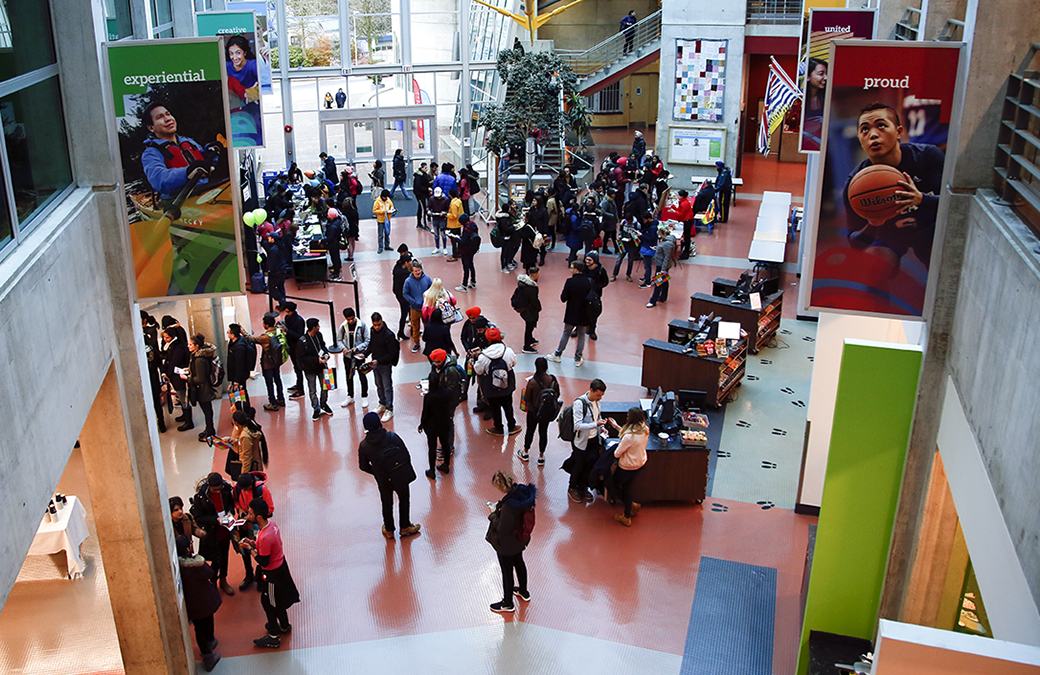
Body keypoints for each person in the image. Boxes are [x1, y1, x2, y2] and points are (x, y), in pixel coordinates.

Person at [843, 102, 944, 272]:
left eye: (881, 126)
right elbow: (854, 242)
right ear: (860, 139)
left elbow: (954, 206)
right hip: (891, 236)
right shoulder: (856, 184)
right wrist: (874, 224)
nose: (873, 134)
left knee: (940, 258)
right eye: (865, 129)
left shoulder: (927, 156)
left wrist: (921, 199)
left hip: (930, 229)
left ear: (899, 132)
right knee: (871, 266)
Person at [239, 498, 300, 649]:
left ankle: (273, 636)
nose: (248, 515)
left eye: (251, 513)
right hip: (280, 566)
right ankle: (284, 626)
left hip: (272, 574)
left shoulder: (266, 536)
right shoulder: (270, 526)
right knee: (277, 600)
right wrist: (254, 543)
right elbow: (266, 548)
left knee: (269, 603)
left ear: (258, 517)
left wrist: (249, 549)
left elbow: (263, 561)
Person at [357, 412, 421, 539]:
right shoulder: (392, 437)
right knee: (404, 499)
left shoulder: (364, 446)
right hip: (399, 475)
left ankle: (389, 530)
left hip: (383, 479)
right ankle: (405, 527)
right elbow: (405, 454)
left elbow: (363, 466)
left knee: (386, 503)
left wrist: (376, 472)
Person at [140, 103, 221, 201]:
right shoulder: (151, 153)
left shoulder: (188, 141)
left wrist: (210, 152)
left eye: (168, 114)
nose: (167, 119)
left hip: (207, 187)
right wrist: (186, 172)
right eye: (160, 117)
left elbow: (204, 162)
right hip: (177, 198)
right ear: (151, 128)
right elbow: (158, 180)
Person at [485, 471, 536, 613]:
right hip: (519, 539)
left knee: (507, 572)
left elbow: (502, 528)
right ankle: (523, 591)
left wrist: (493, 513)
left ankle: (507, 603)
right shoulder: (521, 492)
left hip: (507, 544)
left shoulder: (508, 507)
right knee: (519, 562)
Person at [175, 535, 222, 671]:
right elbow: (209, 573)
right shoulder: (196, 564)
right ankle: (209, 653)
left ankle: (208, 649)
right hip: (205, 600)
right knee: (208, 621)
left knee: (198, 627)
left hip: (192, 604)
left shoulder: (179, 567)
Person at [190, 472, 236, 596]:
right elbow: (199, 517)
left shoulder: (225, 489)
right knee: (215, 557)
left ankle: (223, 579)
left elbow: (231, 503)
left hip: (225, 529)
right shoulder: (201, 497)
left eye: (219, 488)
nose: (217, 491)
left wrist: (230, 513)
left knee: (224, 555)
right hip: (212, 531)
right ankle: (213, 580)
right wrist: (216, 519)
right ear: (209, 486)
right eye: (215, 489)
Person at [565, 379, 608, 503]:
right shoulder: (579, 403)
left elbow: (598, 417)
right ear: (591, 390)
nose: (600, 398)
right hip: (581, 442)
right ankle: (572, 487)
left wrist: (602, 428)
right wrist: (595, 424)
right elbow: (577, 425)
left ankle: (583, 487)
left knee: (591, 464)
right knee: (579, 465)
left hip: (594, 439)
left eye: (601, 395)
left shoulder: (597, 403)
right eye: (598, 394)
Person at [473, 327, 520, 436]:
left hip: (491, 388)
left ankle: (498, 428)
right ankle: (512, 426)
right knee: (508, 406)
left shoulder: (483, 356)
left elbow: (478, 370)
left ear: (488, 339)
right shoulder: (508, 351)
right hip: (507, 385)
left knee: (495, 408)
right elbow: (514, 363)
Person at [232, 472, 274, 591]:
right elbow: (235, 501)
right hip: (243, 525)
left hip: (257, 525)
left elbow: (270, 508)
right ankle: (249, 574)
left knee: (261, 551)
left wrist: (254, 516)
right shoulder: (237, 487)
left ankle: (261, 575)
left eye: (247, 488)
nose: (245, 490)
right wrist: (238, 508)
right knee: (244, 549)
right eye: (243, 489)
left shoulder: (262, 489)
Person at [547, 262, 593, 367]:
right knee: (581, 335)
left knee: (566, 333)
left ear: (576, 270)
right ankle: (578, 358)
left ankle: (558, 354)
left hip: (572, 312)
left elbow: (563, 298)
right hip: (584, 312)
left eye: (572, 268)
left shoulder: (570, 282)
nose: (570, 269)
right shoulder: (588, 282)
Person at [612, 407, 649, 526]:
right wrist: (617, 427)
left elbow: (617, 453)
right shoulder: (645, 430)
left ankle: (628, 512)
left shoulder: (629, 437)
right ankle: (629, 509)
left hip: (627, 466)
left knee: (614, 485)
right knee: (629, 487)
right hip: (640, 463)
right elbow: (628, 437)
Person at [518, 357, 559, 465]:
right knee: (543, 432)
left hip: (533, 411)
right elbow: (557, 394)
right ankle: (541, 456)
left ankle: (525, 452)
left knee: (530, 431)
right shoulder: (553, 380)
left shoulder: (532, 382)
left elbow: (526, 398)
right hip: (546, 411)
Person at [418, 371, 454, 480]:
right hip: (444, 423)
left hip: (432, 427)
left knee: (432, 448)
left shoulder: (429, 397)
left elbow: (425, 412)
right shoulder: (446, 393)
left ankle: (432, 471)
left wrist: (422, 425)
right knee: (445, 444)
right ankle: (446, 465)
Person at [365, 312, 400, 422]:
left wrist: (378, 360)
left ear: (382, 321)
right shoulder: (372, 331)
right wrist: (365, 354)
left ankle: (389, 408)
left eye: (379, 325)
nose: (377, 327)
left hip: (385, 364)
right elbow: (371, 345)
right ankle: (382, 403)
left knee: (387, 386)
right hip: (375, 365)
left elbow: (392, 353)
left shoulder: (389, 335)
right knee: (378, 385)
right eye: (375, 325)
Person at [297, 318, 333, 422]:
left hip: (321, 367)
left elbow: (322, 346)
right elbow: (302, 358)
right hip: (310, 369)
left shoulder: (319, 335)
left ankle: (323, 403)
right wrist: (317, 360)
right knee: (312, 390)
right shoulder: (302, 341)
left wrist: (326, 353)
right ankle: (316, 408)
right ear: (313, 327)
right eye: (318, 326)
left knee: (325, 387)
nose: (319, 327)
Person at [186, 334, 218, 441]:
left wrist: (187, 378)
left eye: (190, 344)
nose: (188, 346)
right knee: (207, 410)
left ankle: (210, 430)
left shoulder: (199, 360)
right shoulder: (200, 356)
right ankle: (209, 428)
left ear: (196, 346)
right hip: (204, 388)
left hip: (203, 390)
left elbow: (200, 379)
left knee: (207, 411)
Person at [337, 307, 370, 408]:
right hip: (347, 357)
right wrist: (343, 348)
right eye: (348, 319)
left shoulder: (362, 326)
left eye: (352, 318)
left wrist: (357, 348)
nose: (351, 321)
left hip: (359, 356)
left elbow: (367, 340)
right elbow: (339, 340)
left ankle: (364, 396)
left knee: (362, 375)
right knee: (349, 376)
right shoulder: (343, 326)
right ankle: (350, 396)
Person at [256, 313, 287, 411]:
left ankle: (272, 403)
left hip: (267, 363)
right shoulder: (278, 331)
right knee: (277, 380)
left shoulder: (265, 337)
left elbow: (252, 339)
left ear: (266, 325)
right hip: (276, 361)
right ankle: (281, 399)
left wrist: (242, 331)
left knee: (269, 383)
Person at [142, 311, 166, 433]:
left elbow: (154, 349)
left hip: (152, 370)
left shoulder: (150, 331)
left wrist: (161, 370)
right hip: (142, 371)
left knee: (156, 398)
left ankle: (161, 421)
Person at [402, 259, 433, 354]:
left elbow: (432, 290)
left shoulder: (427, 279)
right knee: (415, 328)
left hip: (426, 309)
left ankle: (428, 343)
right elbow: (405, 293)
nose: (418, 272)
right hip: (414, 309)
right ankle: (417, 343)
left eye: (419, 270)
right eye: (415, 271)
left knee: (427, 327)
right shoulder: (408, 281)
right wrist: (413, 302)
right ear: (412, 271)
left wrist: (428, 301)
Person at [276, 302, 306, 399]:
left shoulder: (299, 321)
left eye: (288, 311)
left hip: (297, 347)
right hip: (290, 345)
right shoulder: (288, 318)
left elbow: (299, 335)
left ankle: (301, 389)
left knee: (298, 367)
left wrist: (287, 331)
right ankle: (298, 384)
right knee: (295, 366)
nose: (286, 313)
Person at [228, 410, 266, 479]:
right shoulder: (249, 428)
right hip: (255, 465)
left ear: (236, 423)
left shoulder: (245, 436)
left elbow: (247, 458)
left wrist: (243, 477)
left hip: (251, 469)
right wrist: (230, 440)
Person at [511, 267, 541, 354]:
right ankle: (526, 346)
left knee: (529, 326)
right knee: (529, 327)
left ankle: (530, 339)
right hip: (530, 310)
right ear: (534, 275)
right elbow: (534, 300)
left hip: (525, 309)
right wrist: (538, 308)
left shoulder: (523, 284)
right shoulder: (531, 288)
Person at [647, 228, 678, 308]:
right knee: (664, 281)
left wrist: (663, 270)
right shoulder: (667, 241)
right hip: (662, 264)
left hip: (662, 266)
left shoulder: (667, 244)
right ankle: (663, 297)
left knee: (658, 282)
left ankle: (653, 300)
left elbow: (667, 257)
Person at [801, 57, 828, 150]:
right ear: (808, 77)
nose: (826, 77)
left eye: (826, 73)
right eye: (821, 74)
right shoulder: (800, 97)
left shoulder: (828, 97)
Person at [226, 323, 254, 411]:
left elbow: (239, 365)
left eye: (228, 332)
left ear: (232, 335)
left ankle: (244, 412)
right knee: (240, 394)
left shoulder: (239, 347)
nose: (227, 333)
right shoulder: (237, 341)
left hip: (239, 376)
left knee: (241, 394)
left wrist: (236, 380)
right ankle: (242, 411)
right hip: (237, 375)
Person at [583, 252, 609, 340]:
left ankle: (592, 330)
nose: (587, 261)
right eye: (586, 259)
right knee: (581, 311)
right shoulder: (583, 268)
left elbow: (605, 281)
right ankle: (578, 328)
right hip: (584, 293)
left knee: (594, 312)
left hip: (595, 295)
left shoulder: (601, 270)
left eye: (589, 260)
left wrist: (596, 286)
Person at [452, 213, 480, 291]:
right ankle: (473, 282)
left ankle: (464, 285)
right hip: (472, 249)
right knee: (471, 265)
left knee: (466, 268)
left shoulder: (466, 229)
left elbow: (463, 242)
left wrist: (455, 238)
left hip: (465, 250)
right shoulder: (473, 225)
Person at [392, 247, 413, 339]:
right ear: (405, 263)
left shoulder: (397, 267)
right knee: (405, 313)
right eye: (409, 262)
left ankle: (411, 330)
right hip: (402, 295)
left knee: (408, 312)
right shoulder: (404, 274)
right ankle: (401, 332)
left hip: (398, 293)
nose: (411, 263)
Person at [637, 213, 659, 288]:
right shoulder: (650, 225)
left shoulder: (653, 228)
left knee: (647, 266)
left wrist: (642, 236)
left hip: (649, 247)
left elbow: (651, 238)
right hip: (646, 246)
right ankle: (646, 277)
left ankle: (647, 281)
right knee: (646, 264)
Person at [427, 186, 450, 254]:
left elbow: (448, 209)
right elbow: (428, 207)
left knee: (443, 234)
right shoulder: (431, 199)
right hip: (435, 218)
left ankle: (444, 247)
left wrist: (444, 213)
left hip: (442, 219)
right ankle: (437, 247)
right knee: (436, 234)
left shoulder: (446, 199)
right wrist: (428, 211)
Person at [373, 189, 395, 254]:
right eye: (385, 197)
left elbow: (391, 206)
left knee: (387, 233)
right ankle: (380, 247)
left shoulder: (388, 200)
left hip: (387, 219)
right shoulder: (377, 201)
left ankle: (387, 246)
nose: (386, 198)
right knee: (380, 234)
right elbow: (374, 210)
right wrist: (382, 212)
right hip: (381, 220)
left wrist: (391, 209)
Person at [446, 188, 465, 261]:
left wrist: (447, 215)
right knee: (459, 238)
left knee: (453, 240)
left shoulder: (453, 204)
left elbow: (454, 215)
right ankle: (460, 252)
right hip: (458, 223)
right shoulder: (459, 201)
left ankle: (455, 255)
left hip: (453, 224)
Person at [325, 207, 344, 280]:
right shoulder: (338, 222)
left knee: (334, 258)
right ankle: (338, 268)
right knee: (337, 257)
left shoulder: (333, 227)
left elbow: (330, 238)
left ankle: (336, 273)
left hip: (333, 244)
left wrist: (322, 241)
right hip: (336, 243)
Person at [413, 162, 432, 229]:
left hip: (422, 194)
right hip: (420, 195)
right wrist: (427, 189)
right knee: (423, 209)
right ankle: (424, 224)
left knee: (420, 209)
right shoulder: (419, 176)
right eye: (425, 168)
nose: (426, 169)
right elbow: (418, 186)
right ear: (422, 168)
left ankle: (419, 223)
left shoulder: (421, 175)